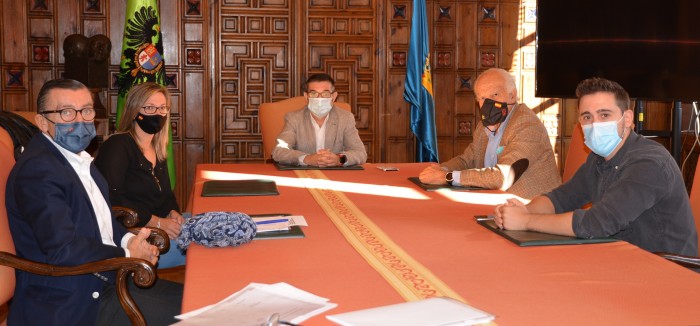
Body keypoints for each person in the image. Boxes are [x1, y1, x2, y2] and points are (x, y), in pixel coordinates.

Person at [5, 79, 182, 325]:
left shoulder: (79, 159)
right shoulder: (38, 171)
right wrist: (128, 253)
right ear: (42, 122)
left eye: (86, 110)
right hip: (74, 300)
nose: (80, 120)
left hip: (110, 279)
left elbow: (103, 221)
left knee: (201, 300)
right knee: (204, 316)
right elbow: (64, 249)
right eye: (66, 112)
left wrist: (131, 240)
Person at [493, 77, 698, 256]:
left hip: (667, 270)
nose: (595, 124)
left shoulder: (649, 163)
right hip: (621, 259)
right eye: (587, 117)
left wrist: (526, 222)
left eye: (604, 115)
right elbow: (561, 199)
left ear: (627, 118)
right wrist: (522, 212)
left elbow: (597, 223)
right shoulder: (599, 158)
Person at [418, 68, 560, 199]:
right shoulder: (484, 126)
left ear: (512, 95)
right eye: (482, 98)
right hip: (496, 203)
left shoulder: (527, 125)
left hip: (532, 210)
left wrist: (448, 177)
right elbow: (467, 160)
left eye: (495, 94)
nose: (488, 104)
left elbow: (502, 177)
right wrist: (442, 169)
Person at [95, 82, 186, 269]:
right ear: (135, 110)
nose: (157, 113)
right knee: (206, 247)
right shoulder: (118, 145)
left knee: (216, 229)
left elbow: (166, 194)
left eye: (162, 108)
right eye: (150, 107)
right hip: (133, 239)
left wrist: (172, 212)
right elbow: (112, 198)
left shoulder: (157, 147)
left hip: (160, 228)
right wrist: (159, 223)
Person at [271, 73, 367, 167]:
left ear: (333, 96)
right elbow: (279, 151)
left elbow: (360, 152)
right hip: (304, 174)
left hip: (336, 175)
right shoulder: (294, 118)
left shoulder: (345, 118)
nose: (319, 98)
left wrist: (339, 159)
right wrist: (307, 159)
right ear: (306, 96)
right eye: (313, 94)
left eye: (325, 94)